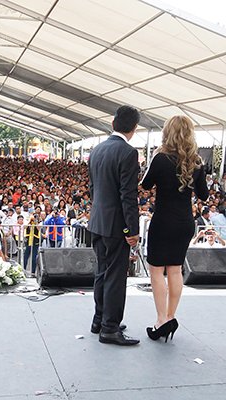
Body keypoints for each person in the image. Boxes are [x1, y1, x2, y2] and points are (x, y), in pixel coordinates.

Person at [141, 115, 209, 341]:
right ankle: (171, 315)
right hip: (184, 223)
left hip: (163, 221)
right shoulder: (197, 161)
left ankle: (162, 319)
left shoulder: (160, 158)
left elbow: (146, 185)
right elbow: (204, 194)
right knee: (175, 269)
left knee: (156, 270)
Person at [88, 105, 141, 346]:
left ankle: (99, 319)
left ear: (113, 123)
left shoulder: (97, 150)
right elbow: (128, 196)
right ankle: (110, 328)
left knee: (102, 272)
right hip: (116, 226)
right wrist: (132, 230)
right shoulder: (128, 153)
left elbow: (93, 190)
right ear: (134, 129)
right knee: (116, 277)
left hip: (97, 222)